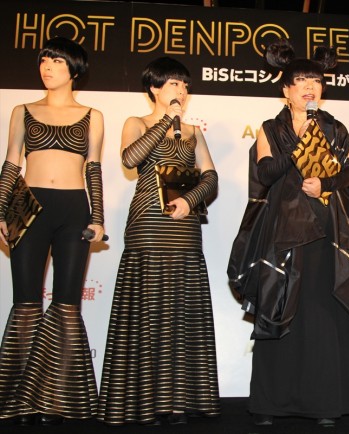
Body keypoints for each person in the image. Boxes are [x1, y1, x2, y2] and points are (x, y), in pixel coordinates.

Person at [227, 38, 349, 426]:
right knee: (280, 306)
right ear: (286, 90)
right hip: (283, 229)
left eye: (315, 80)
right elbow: (265, 172)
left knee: (322, 313)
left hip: (326, 229)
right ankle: (270, 404)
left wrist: (326, 184)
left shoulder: (335, 128)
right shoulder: (270, 128)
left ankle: (324, 404)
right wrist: (300, 146)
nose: (309, 87)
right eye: (300, 80)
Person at [97, 57, 220, 425]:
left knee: (181, 315)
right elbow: (130, 158)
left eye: (184, 85)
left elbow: (210, 176)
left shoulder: (194, 132)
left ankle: (178, 401)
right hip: (147, 226)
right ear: (154, 88)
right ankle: (144, 402)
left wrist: (189, 200)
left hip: (184, 228)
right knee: (146, 313)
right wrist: (167, 119)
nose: (181, 90)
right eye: (173, 84)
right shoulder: (136, 122)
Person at [0, 36, 104, 426]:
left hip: (74, 209)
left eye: (57, 61)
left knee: (66, 304)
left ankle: (59, 400)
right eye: (44, 59)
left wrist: (98, 217)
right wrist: (0, 209)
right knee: (26, 302)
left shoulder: (92, 115)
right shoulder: (22, 110)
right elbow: (12, 163)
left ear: (75, 69)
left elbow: (94, 167)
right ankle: (20, 401)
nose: (47, 66)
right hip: (28, 206)